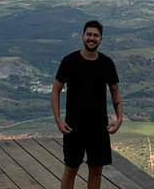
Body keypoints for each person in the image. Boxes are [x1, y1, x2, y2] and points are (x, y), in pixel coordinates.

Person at [51, 19, 123, 189]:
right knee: (71, 169)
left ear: (101, 39)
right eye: (89, 34)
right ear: (82, 37)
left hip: (99, 127)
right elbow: (55, 91)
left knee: (96, 170)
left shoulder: (106, 63)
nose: (92, 38)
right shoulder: (69, 61)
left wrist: (119, 117)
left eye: (96, 35)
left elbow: (114, 90)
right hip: (73, 126)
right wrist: (58, 120)